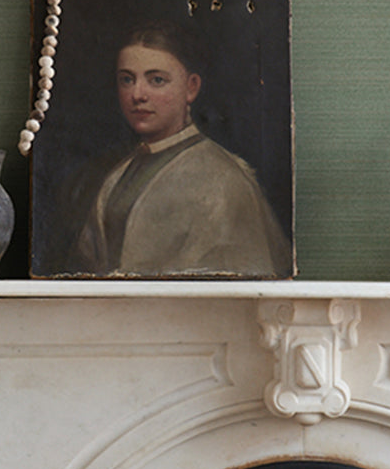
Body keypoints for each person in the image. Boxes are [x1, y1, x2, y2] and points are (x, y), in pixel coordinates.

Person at [70, 21, 293, 277]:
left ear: (191, 87)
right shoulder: (117, 174)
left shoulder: (223, 180)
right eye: (127, 79)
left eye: (156, 80)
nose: (137, 94)